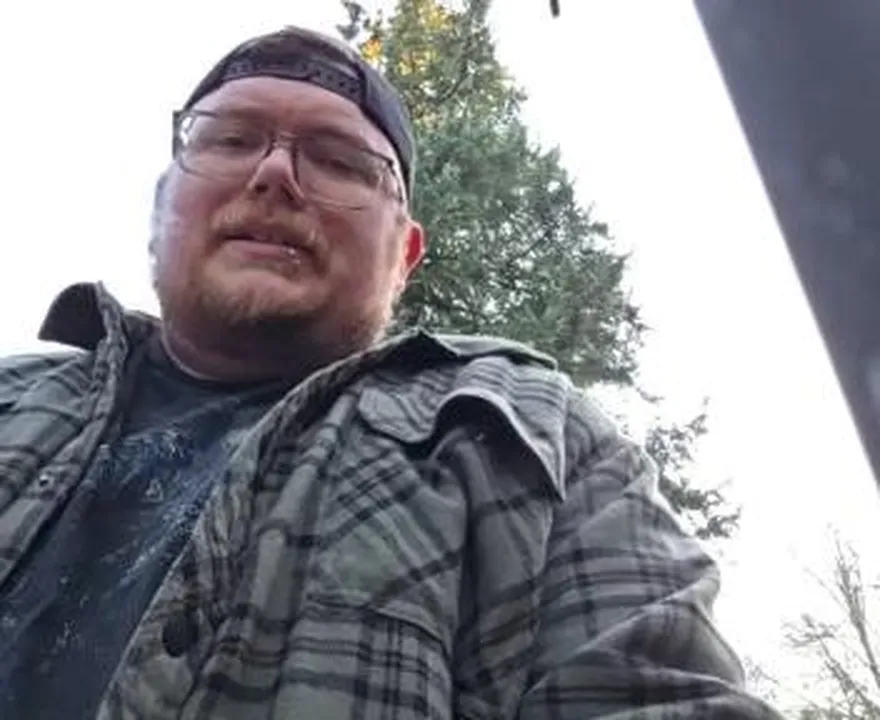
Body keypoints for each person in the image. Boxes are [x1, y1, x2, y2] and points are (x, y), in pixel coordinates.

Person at [0, 26, 781, 719]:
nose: (274, 174)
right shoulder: (12, 395)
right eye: (230, 140)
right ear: (160, 210)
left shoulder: (533, 437)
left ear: (404, 256)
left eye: (340, 161)